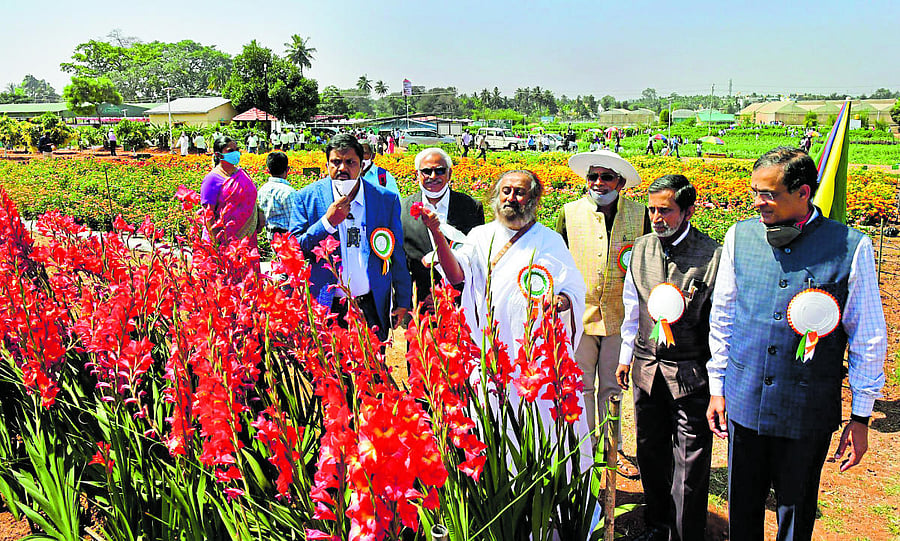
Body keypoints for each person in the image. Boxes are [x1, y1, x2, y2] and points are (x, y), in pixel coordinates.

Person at [706, 147, 886, 541]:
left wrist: (860, 416)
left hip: (806, 408)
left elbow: (868, 336)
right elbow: (723, 316)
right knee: (743, 507)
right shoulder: (740, 236)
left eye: (768, 194)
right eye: (755, 191)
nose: (757, 202)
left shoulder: (850, 247)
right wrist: (717, 387)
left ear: (803, 193)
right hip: (745, 399)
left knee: (796, 509)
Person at [422, 169, 589, 447]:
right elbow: (456, 275)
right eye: (506, 191)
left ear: (533, 199)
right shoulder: (480, 236)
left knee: (539, 428)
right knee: (491, 425)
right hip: (491, 349)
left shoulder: (550, 241)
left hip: (534, 355)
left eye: (520, 192)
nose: (511, 197)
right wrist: (437, 234)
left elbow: (573, 289)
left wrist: (562, 302)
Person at [615, 174, 720, 541]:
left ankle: (686, 532)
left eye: (667, 211)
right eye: (653, 209)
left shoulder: (713, 255)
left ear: (689, 211)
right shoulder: (641, 248)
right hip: (646, 368)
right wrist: (626, 356)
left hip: (690, 373)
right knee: (649, 451)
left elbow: (719, 323)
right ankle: (657, 525)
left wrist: (717, 379)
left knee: (690, 460)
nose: (657, 217)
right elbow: (632, 305)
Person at [556, 150, 649, 478]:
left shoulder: (640, 216)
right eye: (593, 177)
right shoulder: (569, 213)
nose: (598, 183)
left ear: (620, 183)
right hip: (577, 316)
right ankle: (583, 451)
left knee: (612, 387)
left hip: (619, 317)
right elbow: (557, 262)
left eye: (606, 177)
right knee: (581, 387)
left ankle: (613, 450)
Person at [288, 133, 412, 341]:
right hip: (326, 307)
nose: (342, 169)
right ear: (327, 164)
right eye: (336, 162)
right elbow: (293, 249)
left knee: (374, 369)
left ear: (362, 165)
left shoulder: (384, 200)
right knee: (332, 370)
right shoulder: (306, 198)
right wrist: (327, 223)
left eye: (350, 162)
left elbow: (396, 251)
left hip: (370, 304)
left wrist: (402, 300)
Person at [401, 147, 484, 309]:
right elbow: (401, 261)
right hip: (421, 304)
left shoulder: (470, 207)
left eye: (440, 171)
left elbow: (475, 256)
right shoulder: (402, 209)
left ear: (449, 174)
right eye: (426, 171)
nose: (433, 176)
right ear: (417, 175)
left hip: (460, 303)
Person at [200, 136, 264, 251]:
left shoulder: (242, 173)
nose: (235, 153)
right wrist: (216, 242)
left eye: (236, 149)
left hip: (248, 238)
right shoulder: (211, 179)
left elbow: (252, 197)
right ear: (218, 155)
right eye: (230, 151)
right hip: (225, 242)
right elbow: (208, 215)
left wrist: (259, 212)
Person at [257, 151, 295, 242]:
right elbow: (294, 219)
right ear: (287, 169)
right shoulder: (289, 192)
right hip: (286, 238)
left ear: (268, 170)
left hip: (270, 235)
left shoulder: (262, 189)